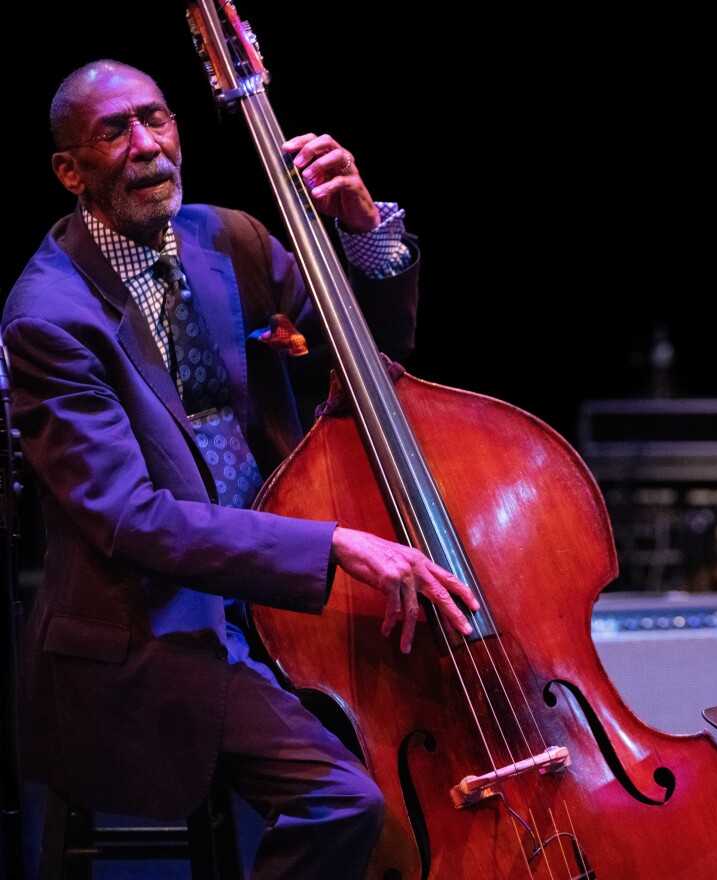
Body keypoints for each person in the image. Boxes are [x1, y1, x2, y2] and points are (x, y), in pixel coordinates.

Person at [1, 58, 480, 879]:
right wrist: (329, 545)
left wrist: (365, 231)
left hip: (277, 602)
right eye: (114, 131)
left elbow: (374, 361)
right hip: (158, 626)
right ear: (69, 170)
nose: (147, 145)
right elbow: (130, 519)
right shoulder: (49, 318)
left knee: (439, 751)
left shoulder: (228, 238)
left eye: (156, 119)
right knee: (344, 801)